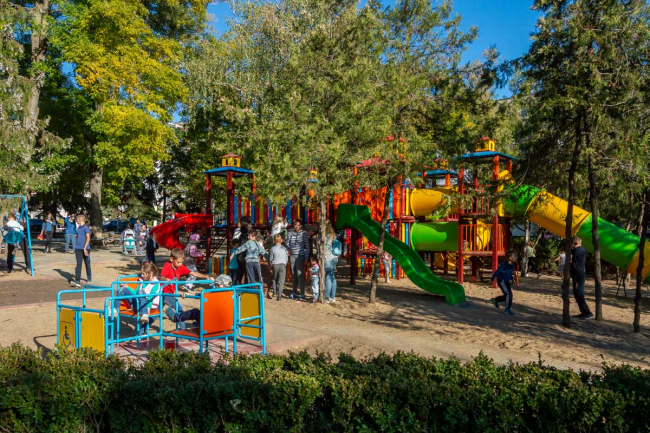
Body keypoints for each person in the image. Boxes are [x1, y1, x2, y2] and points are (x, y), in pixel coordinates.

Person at [159, 248, 214, 330]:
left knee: (155, 314)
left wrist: (206, 277)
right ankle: (183, 329)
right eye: (178, 262)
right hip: (163, 293)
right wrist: (168, 280)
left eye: (181, 262)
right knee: (179, 308)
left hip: (170, 293)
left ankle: (142, 332)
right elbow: (161, 277)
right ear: (171, 259)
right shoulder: (167, 265)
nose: (180, 264)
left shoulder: (180, 268)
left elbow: (193, 273)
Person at [115, 262, 161, 326]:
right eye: (141, 274)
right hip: (137, 304)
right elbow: (135, 292)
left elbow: (151, 297)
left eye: (143, 274)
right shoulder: (142, 281)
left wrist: (147, 309)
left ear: (150, 274)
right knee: (124, 289)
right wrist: (127, 287)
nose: (142, 275)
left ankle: (145, 314)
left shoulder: (155, 284)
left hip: (146, 306)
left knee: (140, 292)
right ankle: (115, 309)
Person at [286, 219, 310, 300]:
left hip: (300, 255)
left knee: (300, 274)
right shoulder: (290, 233)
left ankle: (302, 293)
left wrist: (306, 257)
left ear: (301, 226)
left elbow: (307, 245)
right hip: (292, 255)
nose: (296, 226)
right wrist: (288, 249)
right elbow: (287, 243)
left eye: (298, 225)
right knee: (294, 274)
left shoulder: (303, 233)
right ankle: (294, 292)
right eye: (295, 225)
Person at [490, 250, 518, 316]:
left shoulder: (513, 264)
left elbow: (509, 272)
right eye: (515, 256)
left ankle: (495, 300)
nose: (516, 257)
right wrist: (492, 279)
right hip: (501, 280)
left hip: (506, 281)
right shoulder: (504, 264)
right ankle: (507, 309)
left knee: (508, 294)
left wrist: (512, 279)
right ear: (510, 258)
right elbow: (497, 272)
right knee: (508, 294)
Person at [571, 236, 593, 319]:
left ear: (576, 243)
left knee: (579, 293)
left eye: (572, 244)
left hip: (579, 274)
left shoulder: (580, 250)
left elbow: (571, 251)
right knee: (576, 293)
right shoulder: (579, 249)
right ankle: (584, 312)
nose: (572, 246)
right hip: (577, 273)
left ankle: (587, 313)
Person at [70, 214, 91, 287]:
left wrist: (85, 248)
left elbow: (88, 238)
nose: (76, 220)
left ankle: (89, 277)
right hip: (78, 248)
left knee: (87, 263)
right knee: (79, 265)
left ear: (80, 219)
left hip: (86, 249)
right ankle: (77, 281)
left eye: (77, 219)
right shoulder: (78, 228)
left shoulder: (86, 228)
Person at [324, 221, 340, 303]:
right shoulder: (333, 234)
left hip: (328, 257)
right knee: (332, 277)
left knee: (328, 277)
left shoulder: (326, 235)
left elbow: (326, 246)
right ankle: (333, 297)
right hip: (335, 257)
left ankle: (327, 297)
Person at [269, 234, 289, 301]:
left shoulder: (272, 249)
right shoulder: (284, 248)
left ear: (274, 241)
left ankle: (274, 292)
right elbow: (286, 258)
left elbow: (271, 259)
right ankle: (279, 295)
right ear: (281, 240)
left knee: (274, 278)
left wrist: (271, 264)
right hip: (282, 265)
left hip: (275, 264)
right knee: (281, 281)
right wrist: (285, 263)